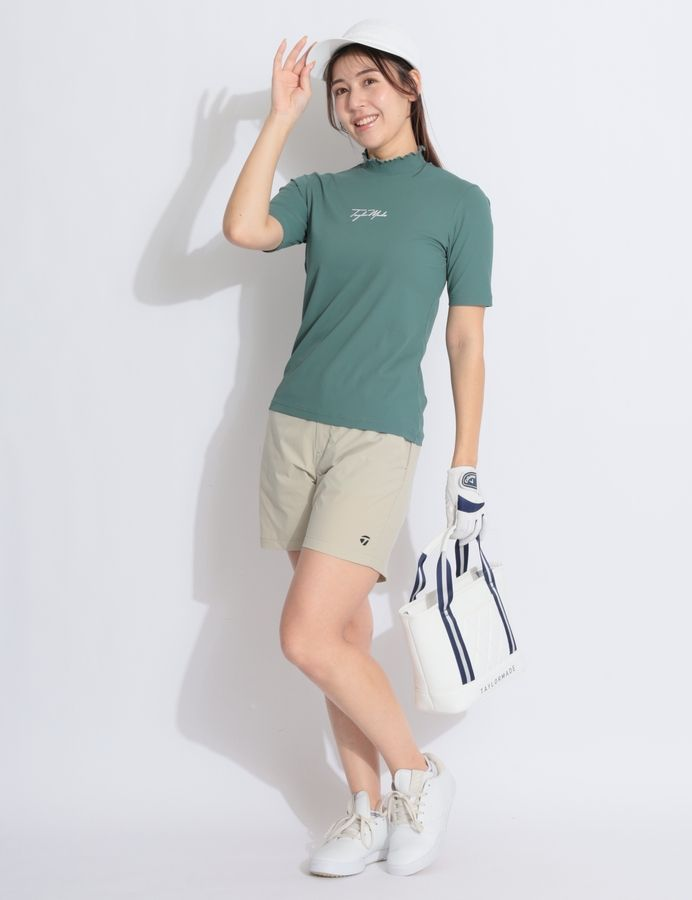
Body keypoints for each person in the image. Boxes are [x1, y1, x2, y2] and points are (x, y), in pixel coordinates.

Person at [223, 18, 493, 877]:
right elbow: (243, 229)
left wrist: (465, 462)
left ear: (411, 86)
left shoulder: (460, 203)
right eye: (340, 91)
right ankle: (367, 808)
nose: (352, 103)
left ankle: (418, 775)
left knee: (304, 636)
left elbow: (465, 342)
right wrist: (280, 117)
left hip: (378, 436)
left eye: (369, 82)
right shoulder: (319, 193)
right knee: (340, 631)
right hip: (294, 428)